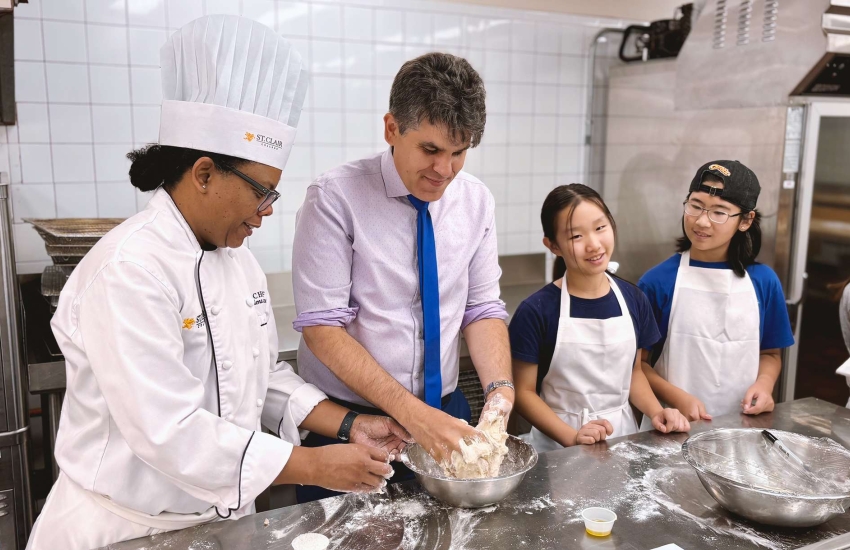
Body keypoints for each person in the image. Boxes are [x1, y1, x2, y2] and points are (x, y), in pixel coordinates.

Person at [27, 16, 409, 550]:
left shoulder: (238, 261)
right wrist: (310, 465)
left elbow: (257, 375)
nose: (266, 212)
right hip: (128, 530)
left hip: (223, 525)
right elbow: (170, 429)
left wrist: (348, 425)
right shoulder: (130, 270)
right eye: (262, 192)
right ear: (203, 173)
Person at [291, 52, 514, 500]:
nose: (444, 170)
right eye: (430, 150)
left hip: (446, 412)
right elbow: (322, 328)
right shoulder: (336, 198)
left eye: (459, 152)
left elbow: (482, 308)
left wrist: (501, 392)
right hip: (351, 424)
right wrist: (411, 414)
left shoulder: (475, 202)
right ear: (392, 128)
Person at [509, 184, 690, 452]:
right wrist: (573, 438)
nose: (594, 244)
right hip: (560, 448)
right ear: (553, 245)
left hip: (622, 441)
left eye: (600, 228)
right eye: (576, 236)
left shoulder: (634, 299)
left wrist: (655, 412)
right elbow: (523, 393)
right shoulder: (537, 310)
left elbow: (634, 372)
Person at [638, 160, 795, 422]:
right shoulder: (657, 282)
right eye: (695, 206)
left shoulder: (764, 282)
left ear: (745, 220)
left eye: (719, 212)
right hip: (672, 426)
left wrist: (765, 385)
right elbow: (638, 365)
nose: (701, 222)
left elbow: (770, 353)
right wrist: (677, 397)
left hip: (741, 429)